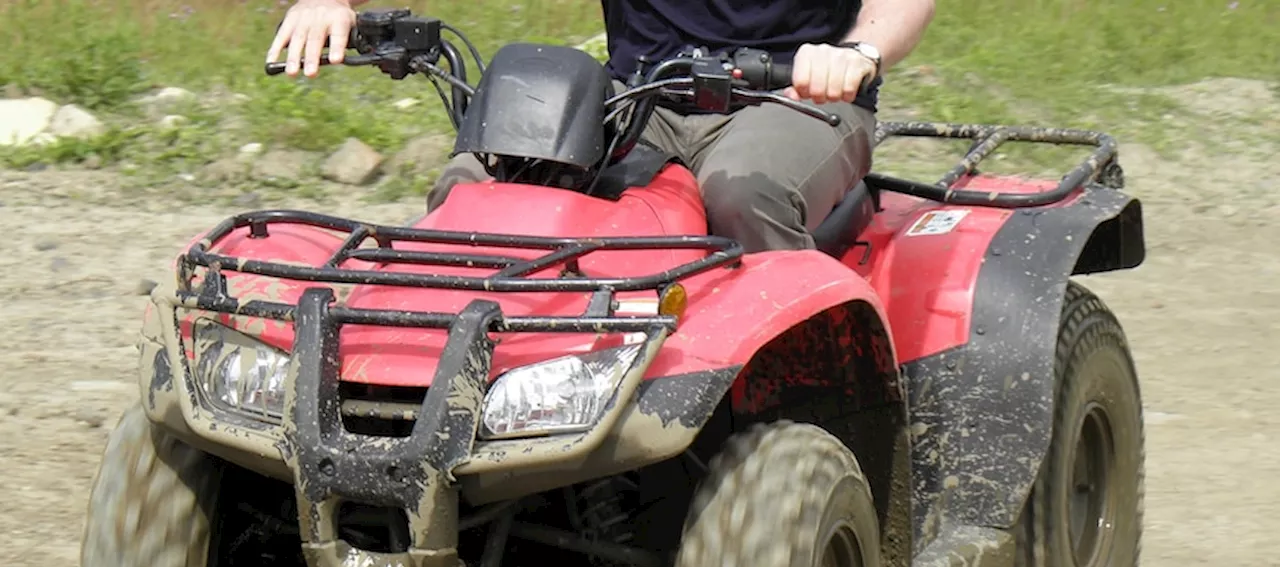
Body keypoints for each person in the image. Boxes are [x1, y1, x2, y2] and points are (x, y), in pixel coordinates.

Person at [267, 0, 935, 253]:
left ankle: (796, 409)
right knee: (479, 183)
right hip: (644, 95)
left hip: (797, 94)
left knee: (744, 194)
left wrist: (858, 54)